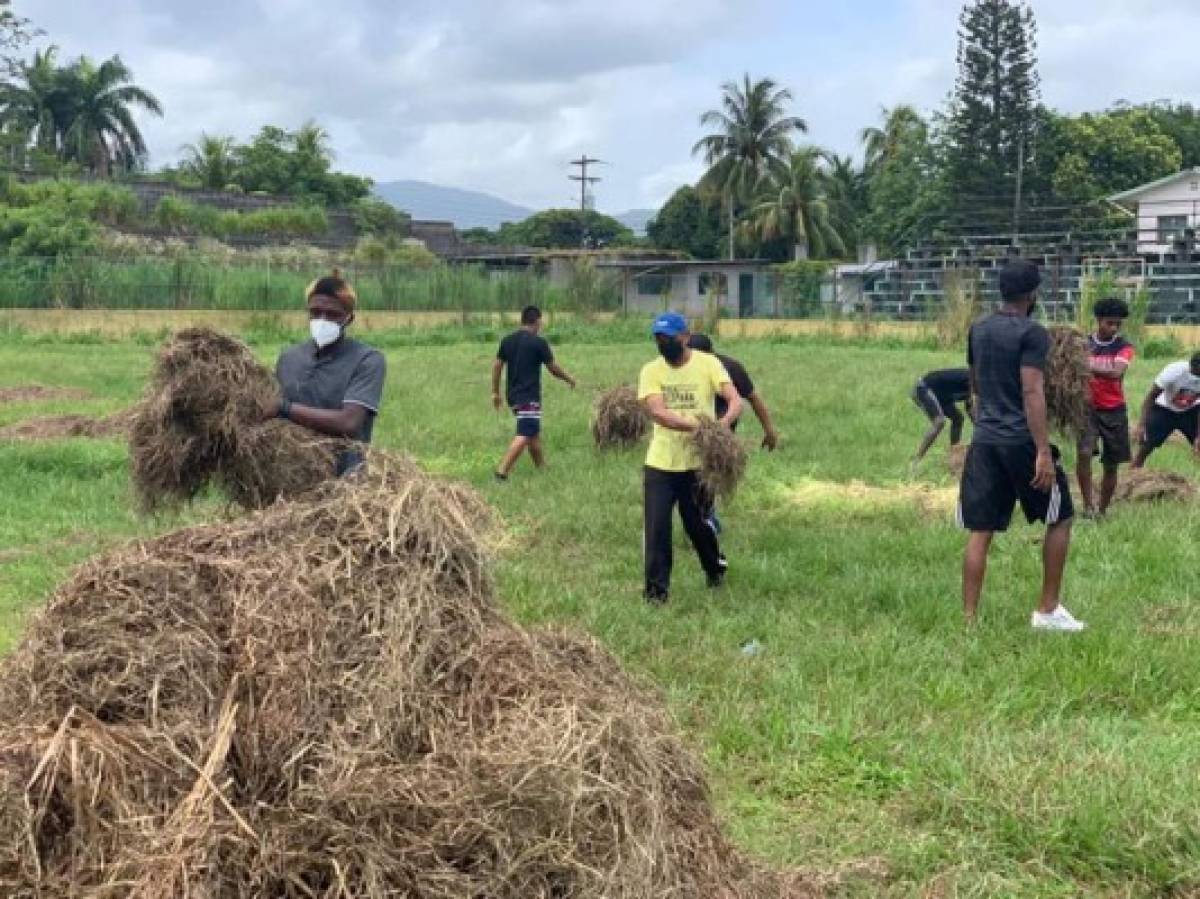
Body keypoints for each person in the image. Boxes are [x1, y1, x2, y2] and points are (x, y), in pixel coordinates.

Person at [958, 259, 1084, 631]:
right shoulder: (1033, 333)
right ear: (1032, 294)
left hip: (984, 440)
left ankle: (969, 621)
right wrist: (1043, 451)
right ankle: (1047, 610)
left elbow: (976, 383)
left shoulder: (978, 329)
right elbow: (1032, 390)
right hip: (1020, 442)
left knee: (981, 529)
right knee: (1060, 517)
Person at [639, 312, 741, 604]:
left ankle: (714, 568)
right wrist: (699, 427)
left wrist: (721, 426)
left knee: (697, 524)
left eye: (668, 338)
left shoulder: (708, 364)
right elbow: (658, 412)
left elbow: (734, 399)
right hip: (661, 462)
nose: (662, 343)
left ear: (684, 337)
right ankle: (656, 594)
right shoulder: (651, 371)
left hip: (698, 465)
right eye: (658, 339)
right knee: (657, 528)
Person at [273, 272, 387, 475]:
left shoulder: (367, 360)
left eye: (332, 314)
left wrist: (284, 408)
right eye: (315, 312)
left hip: (343, 482)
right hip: (289, 475)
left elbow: (348, 422)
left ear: (349, 318)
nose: (322, 320)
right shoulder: (289, 358)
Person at [491, 305, 576, 480]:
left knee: (533, 434)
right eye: (540, 323)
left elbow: (497, 365)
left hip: (513, 396)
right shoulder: (538, 343)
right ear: (537, 322)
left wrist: (495, 392)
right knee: (525, 433)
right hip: (528, 396)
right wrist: (569, 379)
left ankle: (542, 468)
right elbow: (553, 368)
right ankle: (501, 472)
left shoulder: (507, 341)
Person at [1076, 298, 1135, 517]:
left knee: (1111, 463)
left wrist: (1082, 365)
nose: (1114, 328)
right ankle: (1087, 506)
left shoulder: (1124, 346)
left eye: (1118, 324)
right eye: (1110, 323)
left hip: (1114, 410)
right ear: (1099, 320)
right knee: (1083, 455)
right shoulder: (1081, 343)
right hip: (1086, 408)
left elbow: (1116, 373)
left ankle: (1102, 510)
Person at [686, 333, 780, 450]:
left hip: (723, 428)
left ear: (711, 353)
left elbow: (753, 398)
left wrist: (769, 431)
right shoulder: (681, 367)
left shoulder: (730, 367)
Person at [1131, 352, 1200, 468]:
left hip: (1191, 411)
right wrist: (1141, 425)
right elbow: (1151, 396)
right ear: (1193, 366)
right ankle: (1133, 475)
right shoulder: (1174, 371)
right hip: (1164, 409)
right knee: (1147, 446)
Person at [910, 368, 973, 466]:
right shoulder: (976, 381)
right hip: (923, 388)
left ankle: (954, 456)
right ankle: (916, 461)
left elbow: (970, 408)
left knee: (958, 419)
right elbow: (972, 407)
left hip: (942, 395)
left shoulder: (979, 384)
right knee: (939, 421)